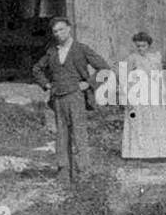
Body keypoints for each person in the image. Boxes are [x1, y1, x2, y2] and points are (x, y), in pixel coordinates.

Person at [31, 17, 109, 185]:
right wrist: (46, 85)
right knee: (61, 136)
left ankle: (83, 173)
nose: (58, 34)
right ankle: (63, 172)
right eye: (55, 31)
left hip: (76, 97)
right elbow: (37, 69)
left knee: (80, 135)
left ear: (69, 29)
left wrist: (88, 83)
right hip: (58, 98)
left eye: (61, 30)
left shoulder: (81, 49)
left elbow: (105, 69)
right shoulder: (52, 51)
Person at [121, 32, 166, 160]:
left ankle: (159, 152)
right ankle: (138, 153)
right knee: (141, 122)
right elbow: (125, 76)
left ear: (149, 45)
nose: (140, 49)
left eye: (143, 46)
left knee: (156, 121)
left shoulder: (156, 57)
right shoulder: (132, 58)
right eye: (138, 46)